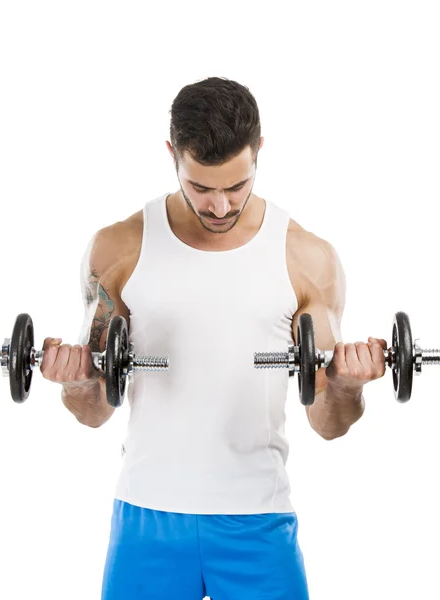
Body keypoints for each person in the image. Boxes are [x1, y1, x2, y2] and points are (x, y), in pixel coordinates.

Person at [40, 76, 387, 600]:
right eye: (201, 187)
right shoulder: (118, 249)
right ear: (172, 156)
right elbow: (94, 409)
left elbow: (329, 424)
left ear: (259, 154)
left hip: (258, 520)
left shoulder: (308, 259)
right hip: (146, 517)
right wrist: (72, 380)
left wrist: (347, 384)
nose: (220, 207)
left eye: (235, 187)